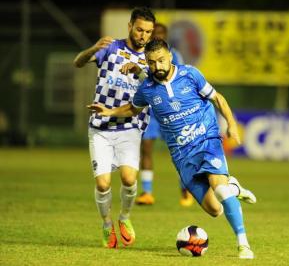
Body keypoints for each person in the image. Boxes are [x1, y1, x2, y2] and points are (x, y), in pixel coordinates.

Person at [88, 39, 256, 259]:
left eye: (161, 60)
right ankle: (234, 188)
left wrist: (232, 124)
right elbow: (133, 108)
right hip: (182, 156)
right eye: (151, 63)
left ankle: (243, 244)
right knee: (215, 210)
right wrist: (109, 112)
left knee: (220, 190)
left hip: (207, 142)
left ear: (169, 57)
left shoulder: (190, 75)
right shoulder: (147, 88)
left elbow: (217, 98)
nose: (157, 66)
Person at [73, 7, 155, 248]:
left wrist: (139, 71)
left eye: (148, 32)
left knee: (129, 179)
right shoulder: (110, 48)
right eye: (140, 29)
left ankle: (125, 218)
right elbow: (78, 62)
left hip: (130, 126)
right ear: (130, 26)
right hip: (100, 126)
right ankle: (107, 223)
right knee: (103, 184)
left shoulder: (151, 58)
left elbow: (154, 85)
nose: (143, 35)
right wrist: (93, 49)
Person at [136, 22, 194, 207]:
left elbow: (180, 79)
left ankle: (186, 191)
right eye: (156, 33)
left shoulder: (174, 55)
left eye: (162, 33)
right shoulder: (143, 56)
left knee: (181, 152)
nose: (158, 36)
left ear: (166, 36)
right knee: (145, 149)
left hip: (171, 112)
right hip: (151, 112)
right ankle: (147, 192)